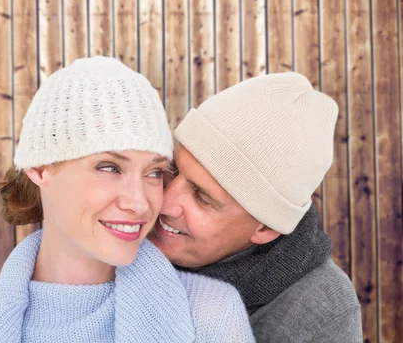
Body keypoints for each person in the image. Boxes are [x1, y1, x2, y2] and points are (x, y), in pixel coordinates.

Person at [0, 57, 254, 342]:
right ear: (40, 168)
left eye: (154, 172)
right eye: (109, 167)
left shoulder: (210, 316)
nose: (139, 203)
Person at [149, 72, 363, 342]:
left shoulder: (319, 311)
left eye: (202, 198)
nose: (164, 202)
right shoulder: (121, 241)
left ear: (265, 228)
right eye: (172, 169)